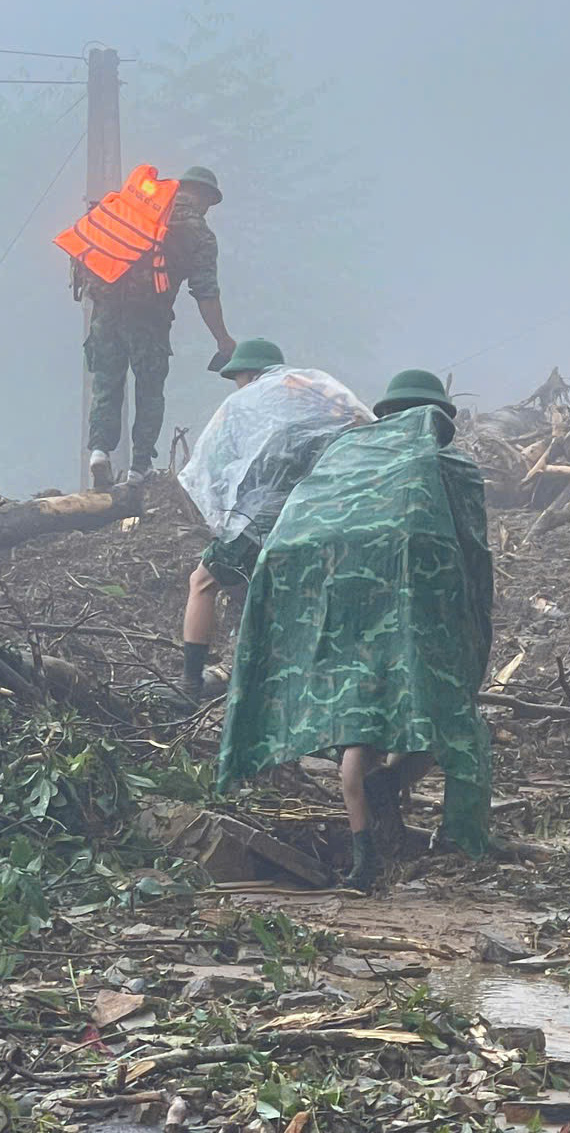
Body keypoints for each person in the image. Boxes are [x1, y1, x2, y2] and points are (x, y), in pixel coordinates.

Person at [218, 369, 495, 891]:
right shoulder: (449, 467)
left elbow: (293, 537)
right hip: (421, 619)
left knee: (360, 730)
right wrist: (475, 625)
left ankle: (366, 859)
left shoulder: (346, 464)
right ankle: (433, 826)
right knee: (442, 716)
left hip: (346, 618)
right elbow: (474, 557)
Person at [174, 338, 371, 699]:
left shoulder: (252, 404)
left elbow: (219, 466)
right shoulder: (319, 397)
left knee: (202, 581)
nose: (239, 386)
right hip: (318, 520)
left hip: (260, 521)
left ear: (249, 374)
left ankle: (189, 684)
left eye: (238, 378)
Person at [85, 165, 235, 489]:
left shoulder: (136, 210)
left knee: (106, 385)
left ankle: (99, 453)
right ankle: (139, 470)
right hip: (148, 318)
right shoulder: (199, 233)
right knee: (149, 390)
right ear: (205, 195)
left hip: (104, 311)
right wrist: (223, 339)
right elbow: (205, 291)